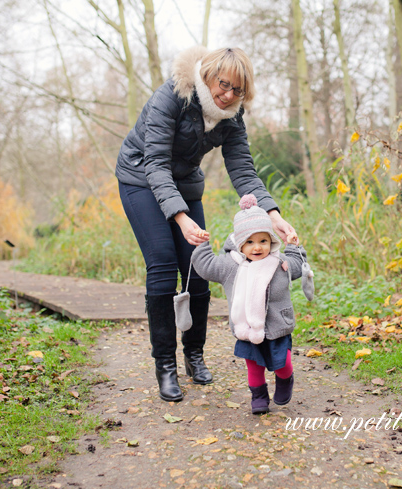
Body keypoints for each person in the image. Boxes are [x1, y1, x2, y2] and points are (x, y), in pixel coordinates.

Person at [116, 46, 297, 402]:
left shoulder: (232, 115)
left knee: (199, 267)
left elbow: (243, 169)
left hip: (184, 183)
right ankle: (165, 365)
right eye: (223, 85)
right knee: (164, 265)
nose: (228, 95)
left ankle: (193, 355)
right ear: (209, 75)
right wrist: (180, 218)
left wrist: (274, 215)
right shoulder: (172, 97)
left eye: (237, 90)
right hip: (140, 177)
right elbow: (154, 163)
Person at [191, 194, 307, 414]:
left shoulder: (278, 263)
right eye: (250, 242)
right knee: (254, 367)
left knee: (283, 364)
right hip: (247, 328)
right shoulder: (230, 266)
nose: (257, 248)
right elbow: (206, 267)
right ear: (240, 244)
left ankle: (285, 380)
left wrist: (293, 246)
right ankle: (259, 396)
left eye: (263, 241)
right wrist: (202, 243)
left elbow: (298, 265)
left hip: (276, 327)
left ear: (271, 241)